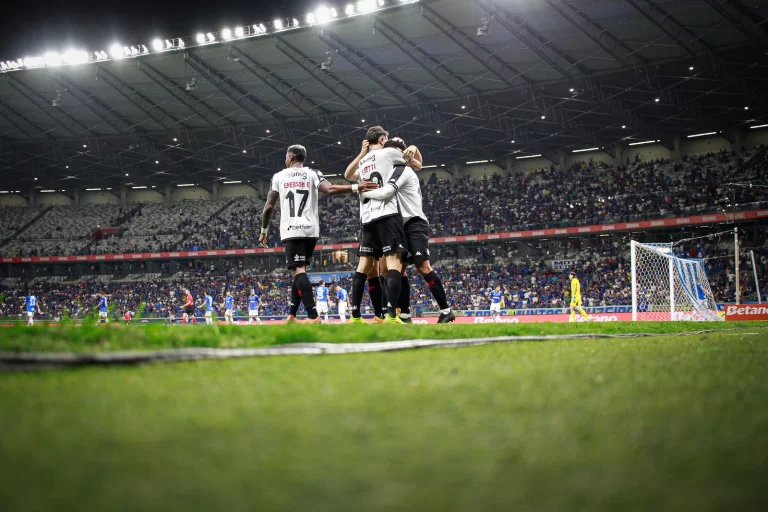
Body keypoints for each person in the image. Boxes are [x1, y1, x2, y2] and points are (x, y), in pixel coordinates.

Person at [260, 143, 377, 323]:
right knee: (299, 271)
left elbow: (269, 206)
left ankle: (312, 315)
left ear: (291, 157)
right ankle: (291, 313)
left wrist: (264, 229)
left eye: (286, 156)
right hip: (311, 230)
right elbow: (330, 189)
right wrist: (355, 187)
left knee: (298, 270)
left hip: (292, 229)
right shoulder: (313, 173)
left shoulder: (279, 177)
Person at [360, 137, 455, 323]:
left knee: (422, 266)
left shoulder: (403, 169)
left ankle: (446, 310)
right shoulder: (396, 168)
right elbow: (418, 163)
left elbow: (390, 189)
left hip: (414, 222)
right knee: (397, 270)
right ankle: (404, 314)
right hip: (399, 225)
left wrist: (361, 191)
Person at [344, 126, 409, 324]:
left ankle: (354, 316)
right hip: (387, 214)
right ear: (382, 140)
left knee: (363, 266)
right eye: (386, 139)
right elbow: (407, 158)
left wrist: (362, 153)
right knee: (392, 264)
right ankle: (391, 315)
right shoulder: (388, 153)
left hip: (367, 219)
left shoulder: (362, 163)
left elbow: (348, 174)